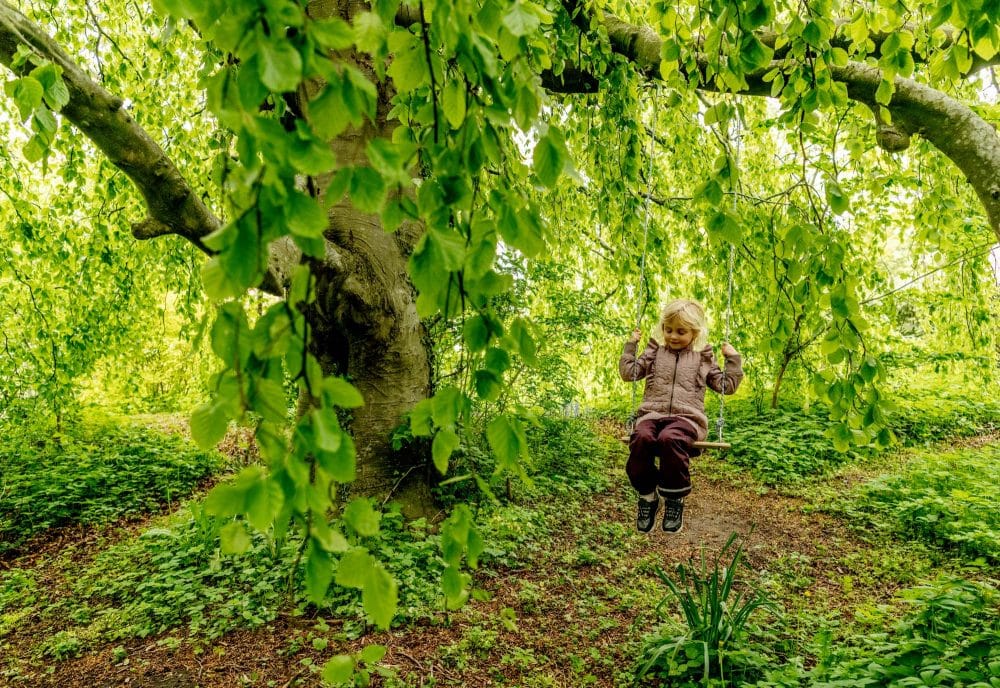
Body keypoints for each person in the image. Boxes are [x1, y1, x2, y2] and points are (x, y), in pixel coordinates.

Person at [619, 299, 744, 533]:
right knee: (641, 438)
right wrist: (631, 346)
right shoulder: (655, 352)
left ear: (695, 333)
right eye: (668, 330)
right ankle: (647, 497)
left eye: (680, 331)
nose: (673, 336)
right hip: (651, 414)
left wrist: (733, 359)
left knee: (670, 438)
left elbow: (726, 386)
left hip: (687, 419)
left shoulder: (702, 357)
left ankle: (674, 499)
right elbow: (629, 373)